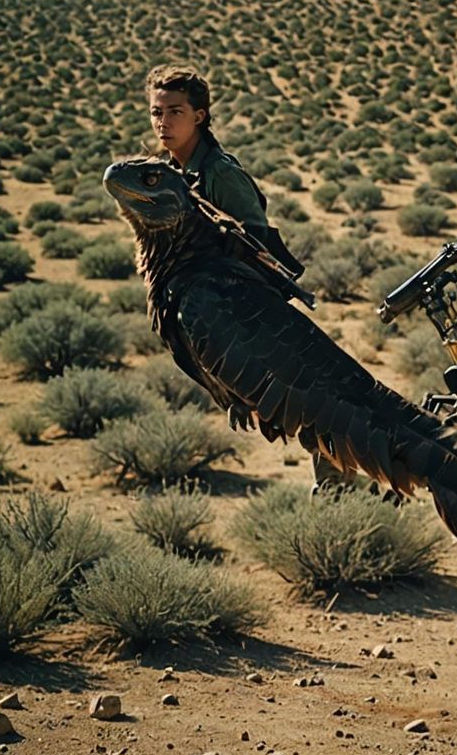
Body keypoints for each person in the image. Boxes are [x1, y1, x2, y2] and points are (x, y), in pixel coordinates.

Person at [145, 62, 349, 496]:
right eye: (156, 112)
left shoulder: (219, 174)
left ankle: (343, 497)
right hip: (218, 320)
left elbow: (257, 252)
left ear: (199, 116)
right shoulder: (173, 174)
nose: (163, 122)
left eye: (175, 111)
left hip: (252, 317)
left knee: (308, 407)